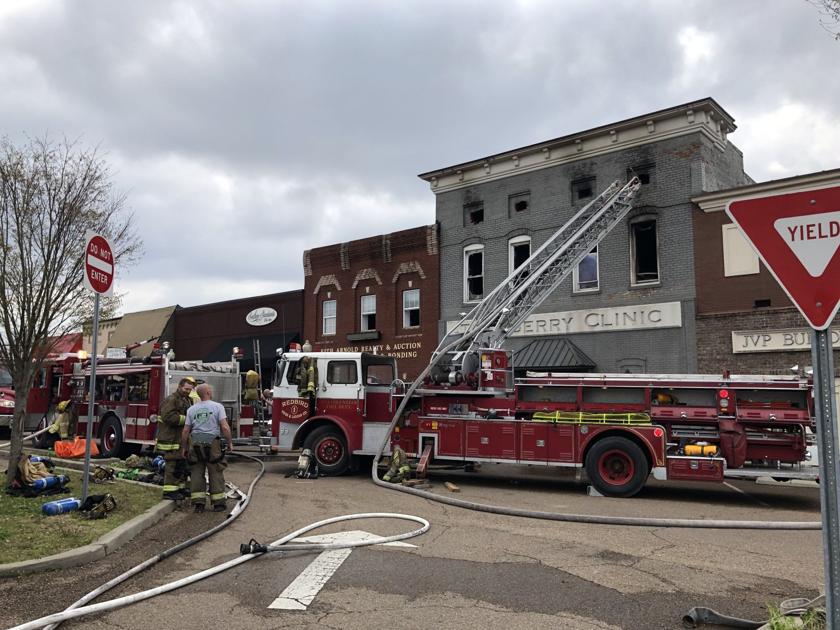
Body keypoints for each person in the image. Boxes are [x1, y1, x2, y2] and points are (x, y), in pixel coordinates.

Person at [181, 383, 234, 513]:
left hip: (195, 442)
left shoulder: (191, 409)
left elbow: (185, 430)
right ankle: (218, 504)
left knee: (197, 472)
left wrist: (184, 447)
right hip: (212, 443)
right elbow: (225, 427)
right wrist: (229, 442)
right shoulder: (217, 407)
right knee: (215, 470)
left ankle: (199, 504)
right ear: (209, 393)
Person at [157, 377, 194, 500]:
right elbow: (168, 417)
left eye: (190, 389)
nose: (187, 391)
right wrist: (186, 420)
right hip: (171, 439)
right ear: (179, 386)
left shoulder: (188, 400)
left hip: (181, 439)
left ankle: (180, 488)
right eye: (186, 389)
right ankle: (169, 492)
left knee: (181, 464)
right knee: (172, 465)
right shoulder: (171, 400)